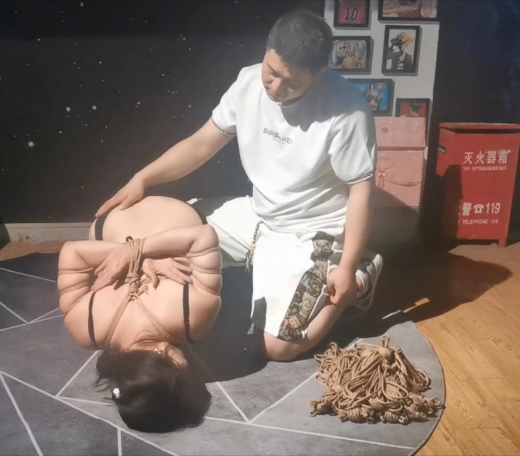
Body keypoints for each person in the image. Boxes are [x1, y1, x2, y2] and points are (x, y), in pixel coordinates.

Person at [95, 9, 383, 363]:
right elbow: (201, 144)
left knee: (278, 347)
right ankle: (258, 262)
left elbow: (361, 192)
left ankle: (360, 276)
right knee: (139, 228)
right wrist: (142, 178)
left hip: (309, 232)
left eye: (291, 82)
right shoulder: (248, 82)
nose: (275, 88)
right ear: (266, 51)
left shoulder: (348, 110)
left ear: (319, 74)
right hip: (255, 214)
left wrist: (347, 266)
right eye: (271, 72)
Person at [58, 196, 222, 432]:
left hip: (178, 200)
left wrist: (137, 253)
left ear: (168, 356)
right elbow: (73, 252)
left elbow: (203, 236)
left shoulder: (192, 320)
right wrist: (133, 257)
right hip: (109, 217)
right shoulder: (86, 331)